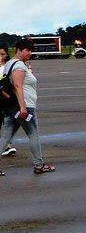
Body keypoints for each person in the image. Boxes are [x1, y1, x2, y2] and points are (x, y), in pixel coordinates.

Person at [0, 38, 54, 173]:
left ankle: (39, 165)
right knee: (33, 135)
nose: (30, 53)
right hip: (23, 106)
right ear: (19, 50)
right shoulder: (18, 65)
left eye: (31, 50)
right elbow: (17, 86)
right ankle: (39, 165)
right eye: (27, 50)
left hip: (12, 107)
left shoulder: (10, 64)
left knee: (6, 136)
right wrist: (23, 107)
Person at [0, 46, 14, 157]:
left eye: (3, 54)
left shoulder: (9, 67)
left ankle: (7, 146)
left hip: (6, 99)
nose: (1, 56)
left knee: (7, 124)